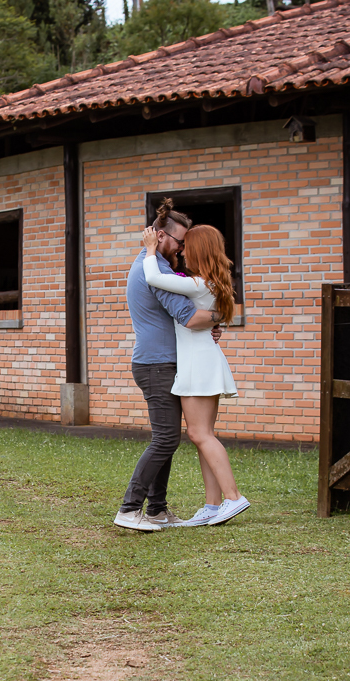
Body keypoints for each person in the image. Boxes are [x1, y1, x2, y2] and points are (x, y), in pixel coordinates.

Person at [114, 200, 222, 532]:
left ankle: (158, 510)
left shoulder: (155, 265)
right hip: (156, 364)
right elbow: (188, 315)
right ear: (161, 236)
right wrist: (218, 316)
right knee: (165, 438)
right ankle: (129, 509)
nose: (184, 248)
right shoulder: (155, 270)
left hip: (162, 362)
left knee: (168, 438)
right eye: (180, 242)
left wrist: (211, 323)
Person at [140, 223, 249, 526]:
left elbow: (152, 277)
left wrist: (150, 247)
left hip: (198, 363)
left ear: (199, 250)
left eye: (188, 246)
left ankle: (233, 497)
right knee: (203, 435)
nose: (183, 251)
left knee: (199, 434)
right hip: (202, 358)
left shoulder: (199, 284)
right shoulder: (208, 283)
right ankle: (213, 507)